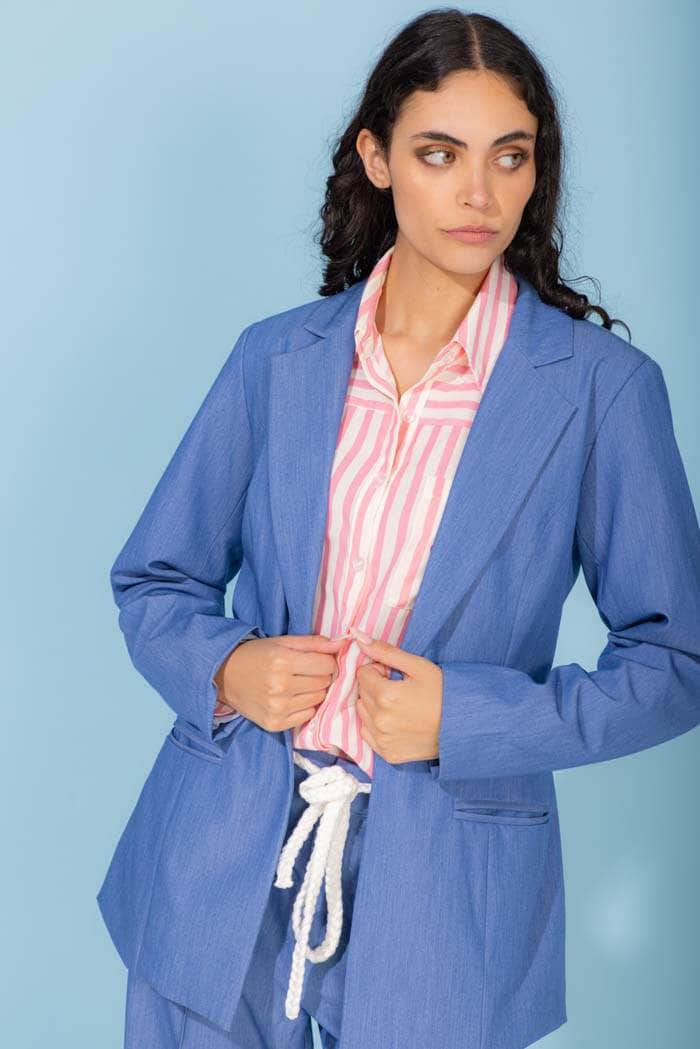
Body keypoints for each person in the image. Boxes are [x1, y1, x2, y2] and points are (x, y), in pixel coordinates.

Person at [97, 9, 700, 1049]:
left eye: (510, 156)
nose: (479, 194)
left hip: (449, 884)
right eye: (439, 153)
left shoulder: (601, 391)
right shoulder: (275, 358)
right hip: (220, 855)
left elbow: (676, 659)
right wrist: (228, 666)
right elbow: (155, 577)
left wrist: (466, 717)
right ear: (377, 159)